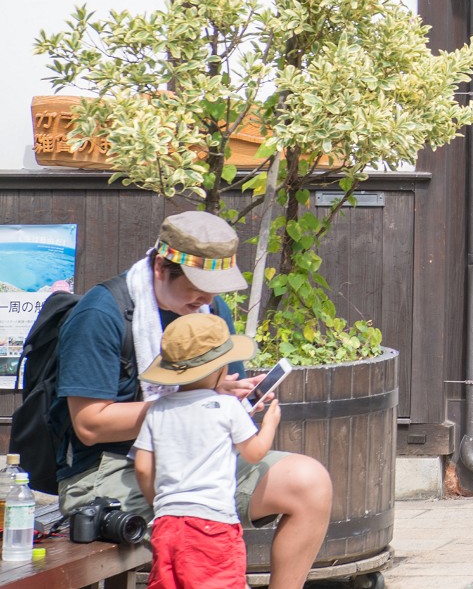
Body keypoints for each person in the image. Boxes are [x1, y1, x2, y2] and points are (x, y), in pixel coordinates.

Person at [53, 212, 331, 589]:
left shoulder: (210, 310)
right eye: (198, 286)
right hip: (110, 469)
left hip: (203, 459)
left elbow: (222, 393)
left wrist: (238, 400)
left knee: (310, 482)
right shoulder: (102, 314)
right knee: (201, 540)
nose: (208, 297)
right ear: (160, 266)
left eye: (215, 288)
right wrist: (187, 408)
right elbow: (89, 425)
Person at [133, 313, 281, 589]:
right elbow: (255, 453)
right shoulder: (227, 407)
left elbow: (142, 467)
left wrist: (161, 501)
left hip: (167, 525)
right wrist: (270, 424)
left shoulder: (159, 409)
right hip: (212, 524)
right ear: (219, 370)